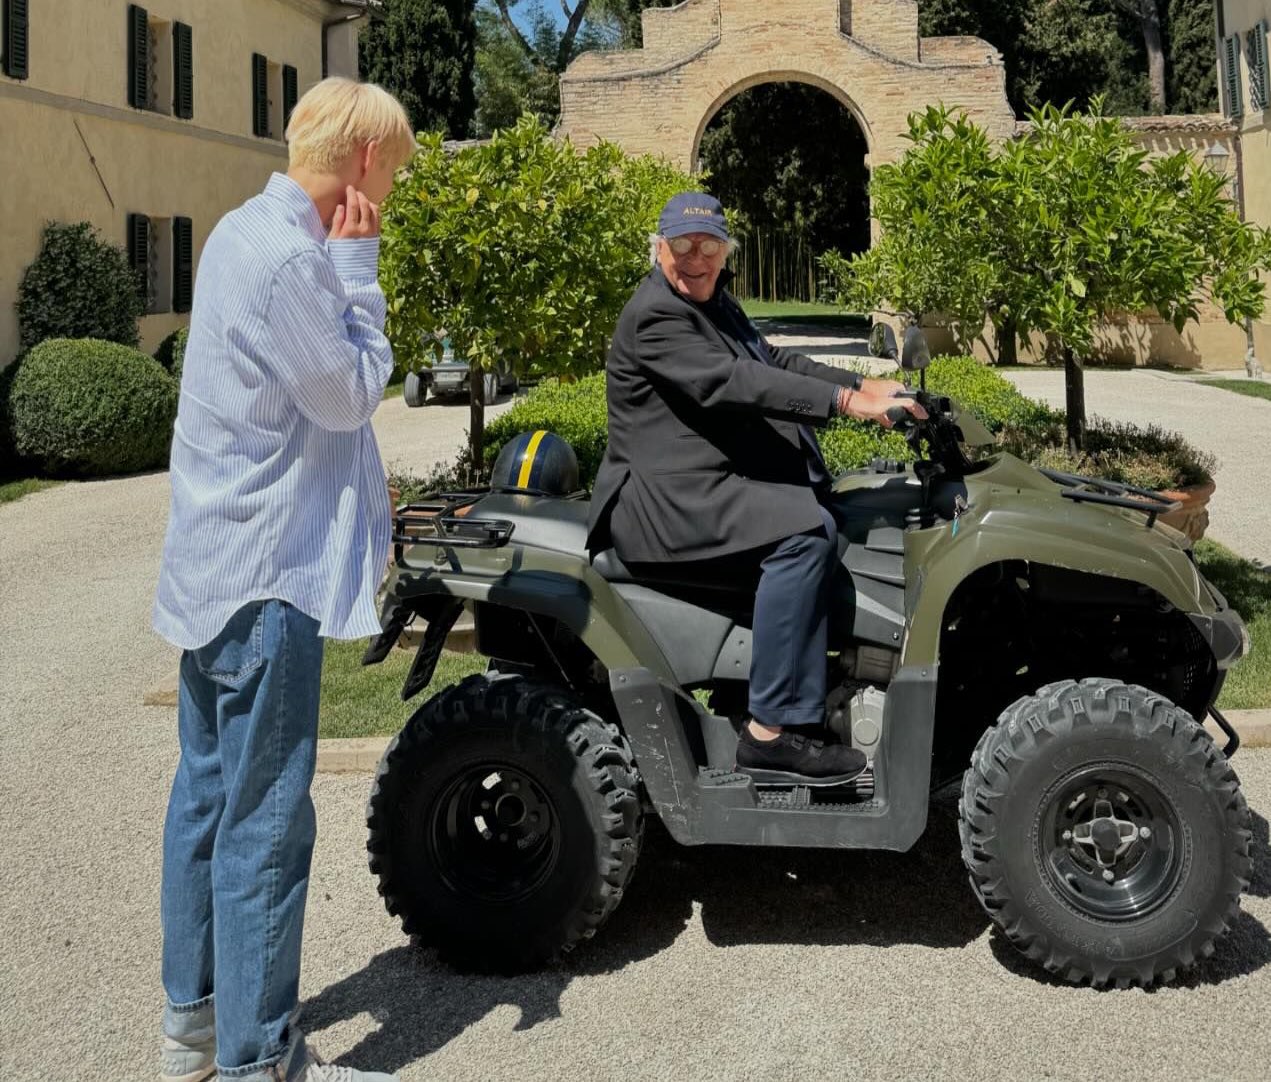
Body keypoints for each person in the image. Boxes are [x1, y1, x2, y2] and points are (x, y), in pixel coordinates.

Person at [151, 78, 415, 1082]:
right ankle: (259, 1061)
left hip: (217, 568)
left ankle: (195, 1034)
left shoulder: (233, 231)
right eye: (391, 168)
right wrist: (360, 268)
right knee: (265, 818)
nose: (392, 187)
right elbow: (350, 396)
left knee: (209, 802)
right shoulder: (298, 260)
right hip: (268, 580)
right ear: (360, 162)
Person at [586, 192, 926, 786]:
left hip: (702, 480)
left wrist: (866, 387)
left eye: (710, 246)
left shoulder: (713, 302)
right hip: (664, 501)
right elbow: (733, 381)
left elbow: (771, 360)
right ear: (658, 247)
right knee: (805, 533)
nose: (697, 258)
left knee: (833, 510)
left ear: (724, 252)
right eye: (683, 245)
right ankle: (771, 734)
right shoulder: (656, 314)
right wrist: (845, 404)